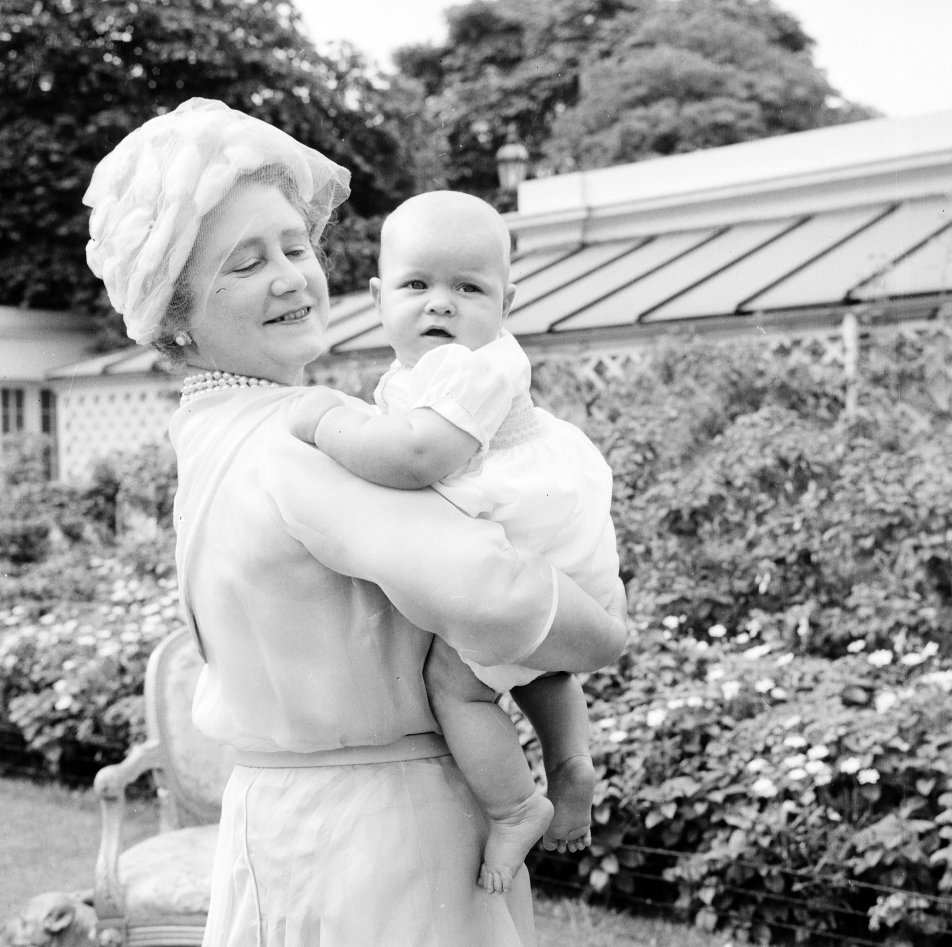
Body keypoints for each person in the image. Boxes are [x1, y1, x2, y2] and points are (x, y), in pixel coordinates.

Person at [83, 98, 627, 947]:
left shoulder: (208, 434)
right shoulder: (303, 435)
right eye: (243, 263)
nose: (291, 277)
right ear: (175, 311)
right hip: (380, 840)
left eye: (295, 247)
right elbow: (492, 593)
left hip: (284, 818)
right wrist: (604, 632)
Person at [288, 190, 621, 895]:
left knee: (458, 686)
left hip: (523, 523)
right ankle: (569, 761)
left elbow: (416, 458)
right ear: (379, 297)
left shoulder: (470, 367)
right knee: (536, 664)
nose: (439, 304)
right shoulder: (432, 370)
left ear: (505, 299)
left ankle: (514, 806)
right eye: (417, 285)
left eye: (467, 288)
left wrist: (325, 422)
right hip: (552, 527)